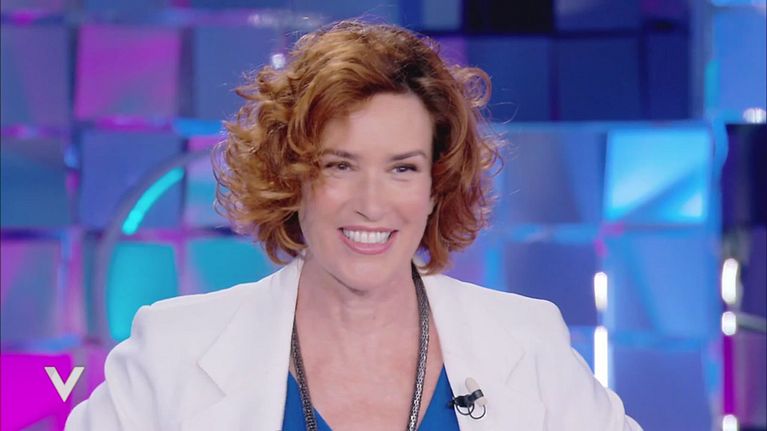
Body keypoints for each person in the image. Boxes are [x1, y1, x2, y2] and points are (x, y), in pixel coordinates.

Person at [66, 20, 642, 430]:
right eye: (340, 166)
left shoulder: (527, 342)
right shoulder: (172, 351)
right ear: (292, 176)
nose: (372, 203)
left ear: (435, 185)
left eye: (402, 168)